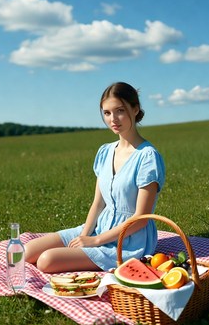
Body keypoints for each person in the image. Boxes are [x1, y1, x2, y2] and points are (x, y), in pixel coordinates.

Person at [25, 82, 165, 273]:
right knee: (27, 252)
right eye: (107, 113)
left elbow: (140, 218)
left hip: (129, 240)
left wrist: (95, 241)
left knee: (46, 261)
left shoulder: (147, 157)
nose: (113, 119)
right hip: (100, 226)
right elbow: (98, 203)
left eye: (120, 111)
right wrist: (84, 236)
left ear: (135, 109)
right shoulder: (105, 152)